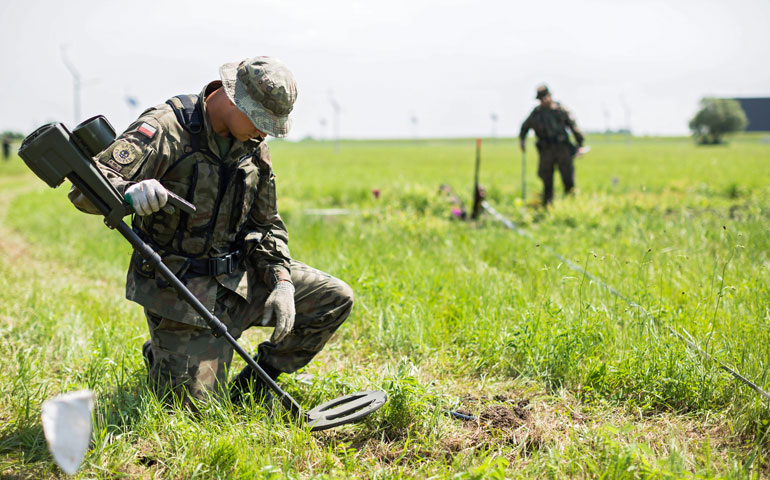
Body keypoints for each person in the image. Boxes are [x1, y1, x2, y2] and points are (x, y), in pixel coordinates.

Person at [68, 56, 354, 405]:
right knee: (193, 411)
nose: (264, 132)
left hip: (238, 280)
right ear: (234, 99)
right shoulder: (165, 129)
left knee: (334, 298)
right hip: (181, 290)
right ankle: (167, 353)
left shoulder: (253, 146)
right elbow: (85, 192)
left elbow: (266, 225)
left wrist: (281, 281)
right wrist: (128, 194)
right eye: (260, 120)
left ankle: (255, 387)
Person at [519, 85, 584, 206]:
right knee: (546, 179)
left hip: (562, 149)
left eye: (544, 98)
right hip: (546, 151)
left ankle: (571, 205)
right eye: (540, 99)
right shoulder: (536, 113)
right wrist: (522, 140)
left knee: (568, 178)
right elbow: (524, 127)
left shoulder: (561, 110)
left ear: (549, 96)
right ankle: (547, 205)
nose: (543, 101)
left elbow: (574, 127)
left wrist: (579, 144)